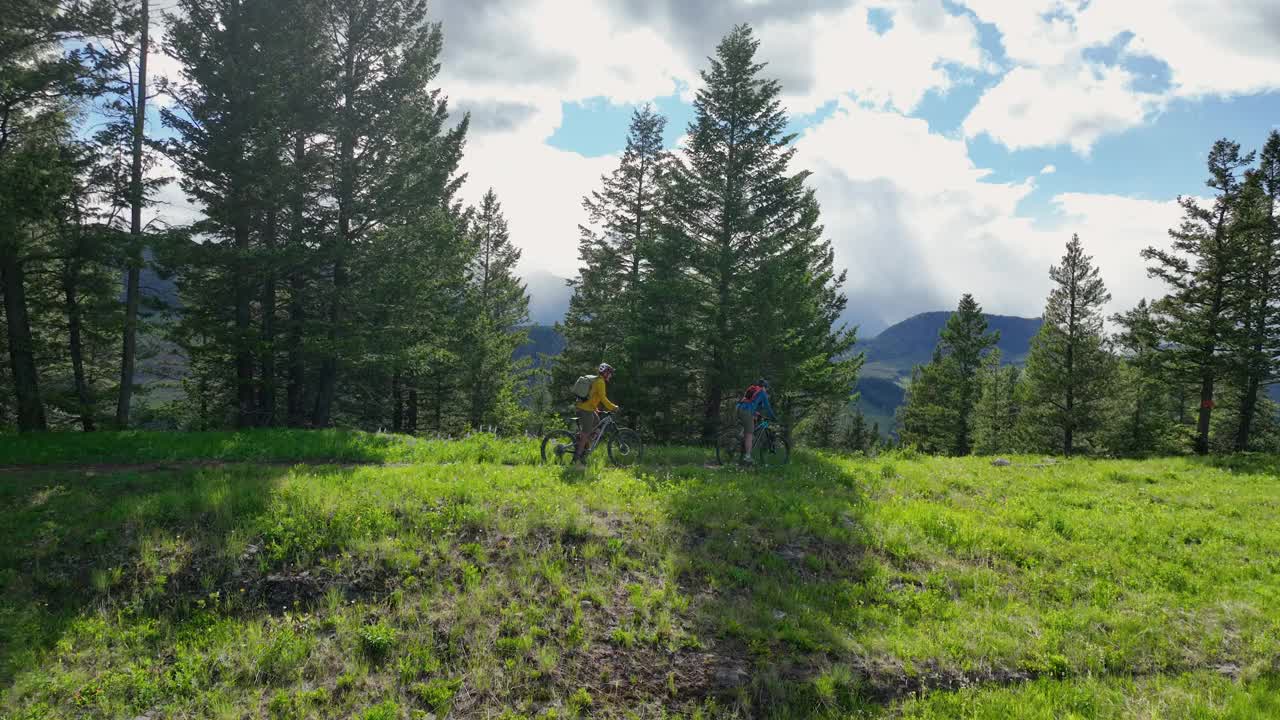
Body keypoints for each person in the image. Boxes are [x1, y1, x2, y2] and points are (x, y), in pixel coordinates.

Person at [575, 362, 618, 464]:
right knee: (586, 433)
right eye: (610, 373)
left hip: (586, 408)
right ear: (605, 373)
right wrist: (613, 407)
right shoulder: (600, 382)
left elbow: (592, 396)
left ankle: (581, 442)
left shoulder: (597, 380)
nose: (611, 376)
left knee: (597, 424)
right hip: (585, 410)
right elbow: (603, 398)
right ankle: (577, 456)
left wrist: (595, 408)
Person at [736, 378, 776, 465]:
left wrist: (756, 413)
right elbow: (767, 407)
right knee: (749, 434)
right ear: (765, 387)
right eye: (767, 388)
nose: (766, 390)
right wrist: (773, 417)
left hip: (739, 408)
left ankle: (740, 441)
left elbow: (749, 402)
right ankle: (747, 457)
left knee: (751, 423)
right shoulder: (762, 393)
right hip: (746, 411)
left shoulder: (753, 389)